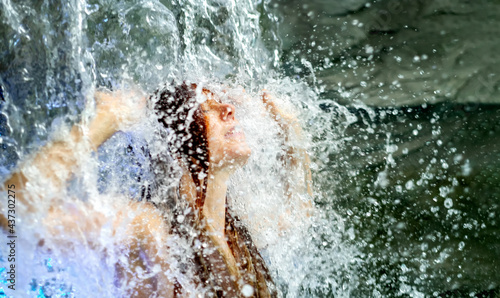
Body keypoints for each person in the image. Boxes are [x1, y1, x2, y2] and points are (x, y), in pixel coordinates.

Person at [0, 82, 313, 297]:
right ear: (176, 153)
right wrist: (105, 121)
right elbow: (10, 210)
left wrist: (290, 128)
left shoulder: (233, 234)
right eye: (206, 107)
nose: (228, 108)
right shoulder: (148, 231)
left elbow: (297, 211)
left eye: (221, 102)